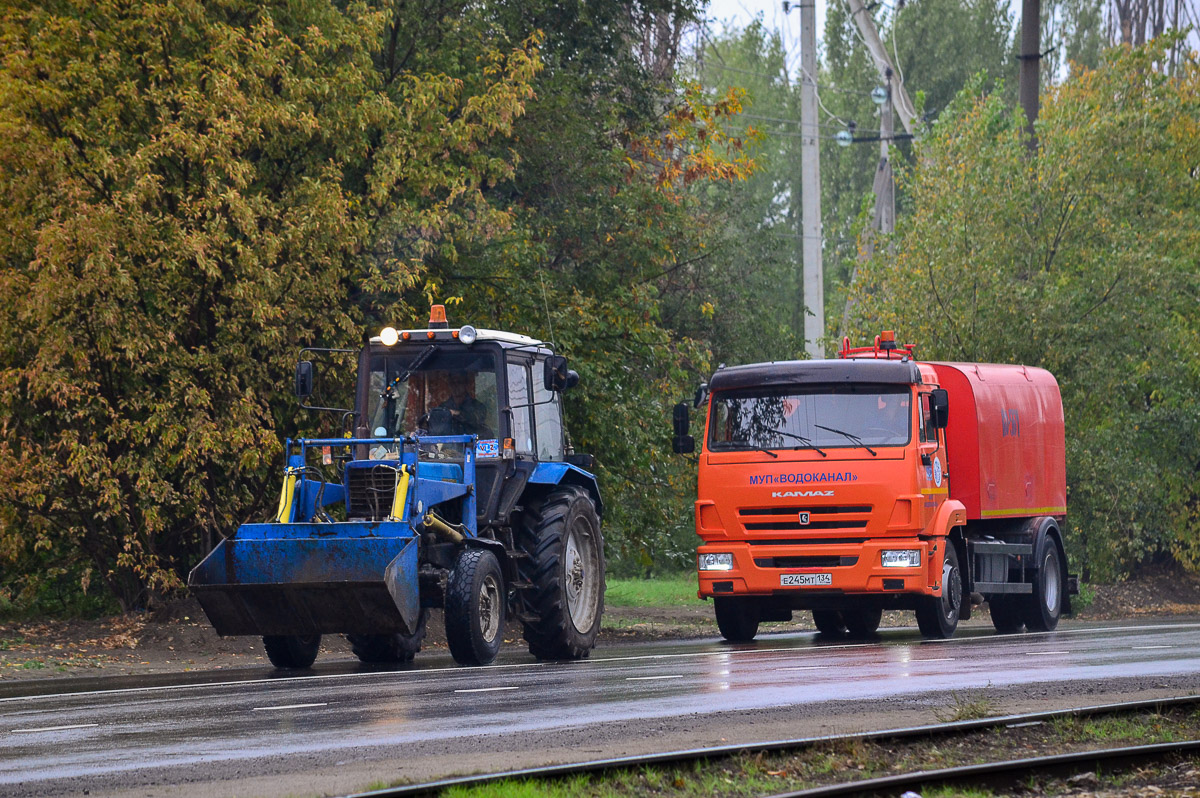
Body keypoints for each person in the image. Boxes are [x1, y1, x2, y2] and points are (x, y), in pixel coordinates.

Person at [431, 372, 491, 437]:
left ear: (466, 384)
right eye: (452, 383)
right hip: (450, 446)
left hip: (472, 444)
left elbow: (477, 420)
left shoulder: (478, 406)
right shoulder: (443, 407)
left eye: (459, 382)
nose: (455, 386)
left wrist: (457, 413)